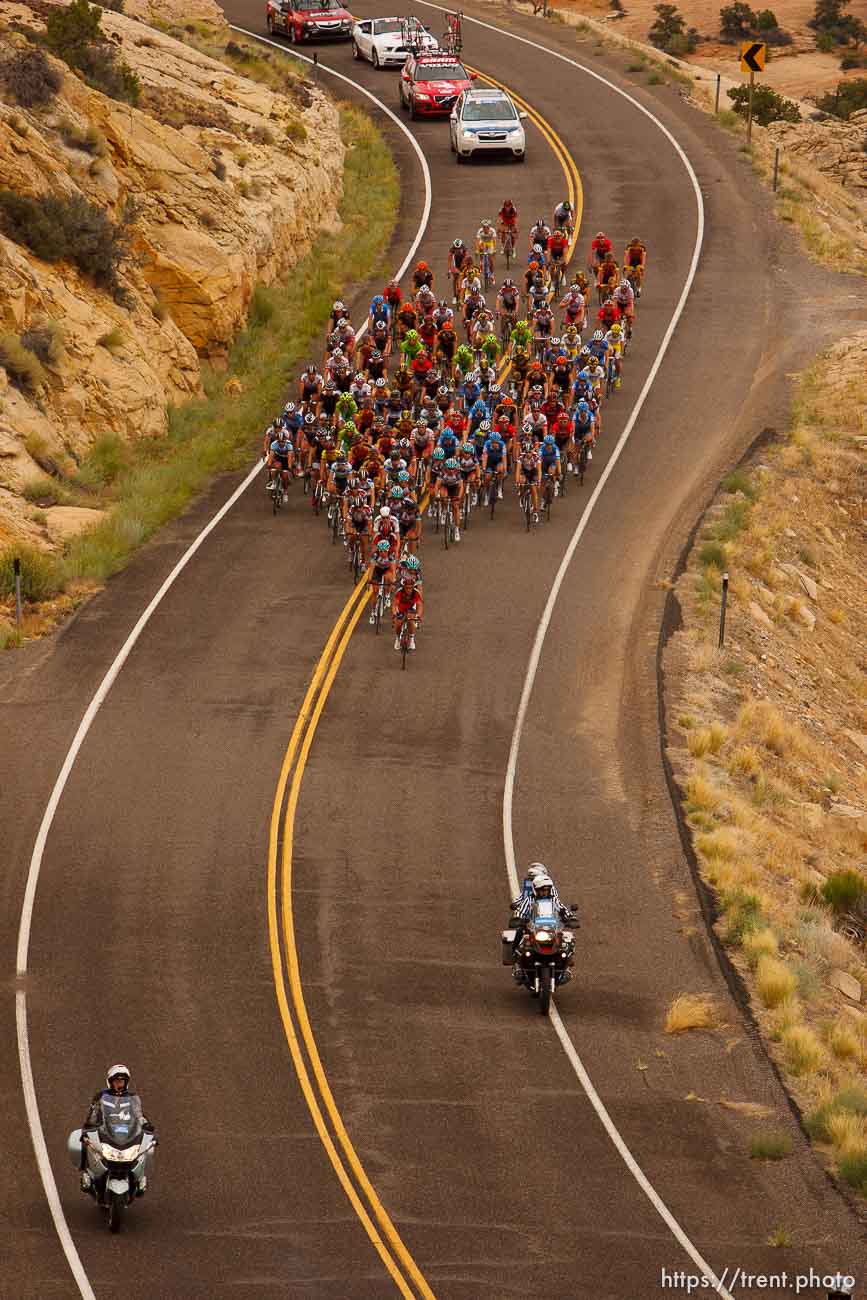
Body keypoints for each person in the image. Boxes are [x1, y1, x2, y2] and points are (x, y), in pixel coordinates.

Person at [80, 1065, 155, 1192]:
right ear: (110, 1082)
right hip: (106, 1130)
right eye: (116, 1081)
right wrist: (89, 1125)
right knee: (84, 1141)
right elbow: (94, 1112)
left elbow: (139, 1114)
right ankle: (85, 1170)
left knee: (146, 1148)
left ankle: (139, 1178)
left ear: (126, 1082)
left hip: (125, 1132)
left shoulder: (132, 1098)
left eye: (122, 1081)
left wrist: (146, 1125)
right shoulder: (101, 1096)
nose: (119, 1084)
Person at [392, 572, 423, 652]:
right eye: (407, 588)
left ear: (413, 587)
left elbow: (419, 605)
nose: (409, 590)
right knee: (398, 623)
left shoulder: (416, 593)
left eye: (410, 588)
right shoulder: (399, 592)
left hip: (411, 609)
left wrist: (418, 616)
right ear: (404, 587)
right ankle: (398, 638)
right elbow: (395, 605)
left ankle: (412, 638)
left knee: (411, 621)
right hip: (401, 609)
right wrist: (395, 614)